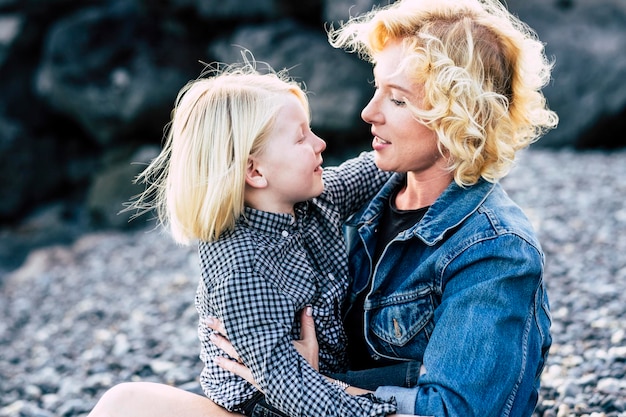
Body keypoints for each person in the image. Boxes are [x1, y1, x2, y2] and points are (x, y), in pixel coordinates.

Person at [88, 0, 558, 415]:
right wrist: (285, 374)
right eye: (376, 89)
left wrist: (310, 385)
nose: (368, 113)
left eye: (396, 99)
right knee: (122, 404)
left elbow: (456, 413)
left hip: (324, 405)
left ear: (456, 117)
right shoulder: (362, 193)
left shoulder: (494, 251)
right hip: (308, 402)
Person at [95, 60, 398, 417]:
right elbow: (287, 385)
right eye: (301, 136)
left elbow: (372, 169)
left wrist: (438, 136)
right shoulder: (241, 266)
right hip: (267, 401)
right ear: (254, 171)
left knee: (434, 380)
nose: (320, 143)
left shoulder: (313, 198)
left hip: (319, 377)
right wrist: (379, 413)